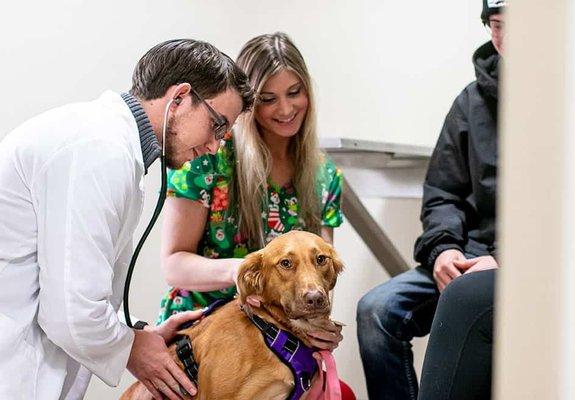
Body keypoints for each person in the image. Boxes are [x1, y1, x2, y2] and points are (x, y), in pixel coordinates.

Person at [0, 38, 254, 400]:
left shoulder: (110, 147)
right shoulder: (98, 150)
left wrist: (138, 335)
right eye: (217, 125)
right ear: (179, 97)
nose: (216, 146)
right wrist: (134, 349)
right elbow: (71, 313)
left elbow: (73, 290)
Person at [157, 32, 356, 399]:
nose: (285, 109)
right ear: (248, 104)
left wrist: (317, 324)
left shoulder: (325, 176)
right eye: (268, 98)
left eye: (294, 92)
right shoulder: (207, 158)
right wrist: (242, 272)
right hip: (207, 332)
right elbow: (173, 264)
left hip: (284, 334)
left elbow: (321, 271)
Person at [356, 1, 505, 398]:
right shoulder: (470, 103)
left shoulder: (569, 104)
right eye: (495, 25)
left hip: (521, 267)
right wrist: (444, 250)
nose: (504, 38)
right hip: (463, 256)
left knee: (467, 303)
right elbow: (442, 194)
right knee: (376, 311)